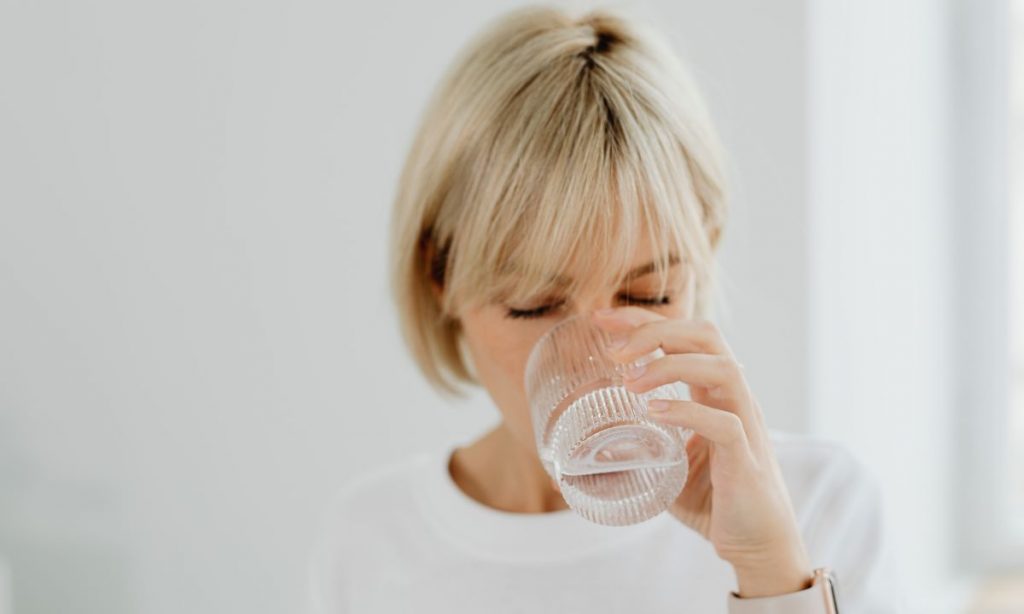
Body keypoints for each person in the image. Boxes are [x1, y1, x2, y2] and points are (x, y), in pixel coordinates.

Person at [308, 5, 905, 612]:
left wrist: (770, 573)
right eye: (534, 304)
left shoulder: (819, 503)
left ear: (704, 252)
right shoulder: (374, 539)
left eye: (648, 296)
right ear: (440, 279)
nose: (609, 359)